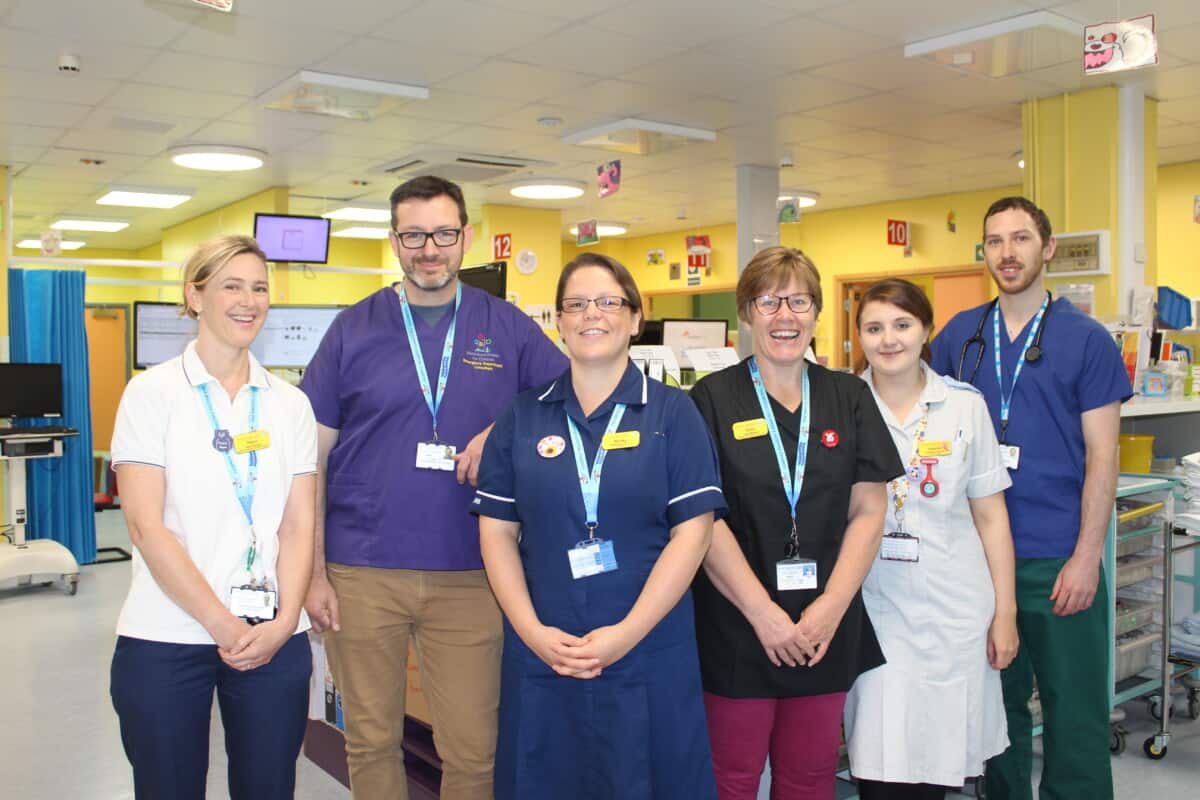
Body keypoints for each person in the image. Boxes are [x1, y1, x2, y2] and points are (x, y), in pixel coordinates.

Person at [300, 175, 568, 799]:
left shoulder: (505, 326)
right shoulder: (352, 329)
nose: (430, 249)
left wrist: (501, 431)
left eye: (443, 234)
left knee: (473, 751)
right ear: (394, 241)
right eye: (414, 235)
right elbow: (309, 462)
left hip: (473, 572)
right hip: (362, 569)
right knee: (370, 743)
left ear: (466, 238)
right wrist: (312, 573)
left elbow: (569, 398)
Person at [473, 252, 726, 799]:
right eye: (577, 304)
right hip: (546, 650)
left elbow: (694, 532)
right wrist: (533, 633)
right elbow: (496, 532)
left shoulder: (673, 414)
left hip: (648, 649)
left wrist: (626, 635)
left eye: (609, 302)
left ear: (635, 318)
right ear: (559, 322)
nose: (593, 314)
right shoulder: (521, 417)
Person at [930, 196, 1132, 800]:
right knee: (996, 714)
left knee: (1075, 714)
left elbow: (1104, 456)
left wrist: (1085, 556)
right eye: (994, 241)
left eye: (1020, 239)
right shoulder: (960, 337)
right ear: (984, 253)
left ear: (1046, 249)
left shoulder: (1086, 340)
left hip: (1056, 557)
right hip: (978, 560)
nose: (1007, 252)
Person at [689, 246, 903, 800]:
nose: (785, 315)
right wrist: (763, 615)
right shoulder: (710, 399)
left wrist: (829, 610)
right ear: (746, 312)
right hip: (737, 622)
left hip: (823, 624)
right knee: (730, 778)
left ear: (816, 311)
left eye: (799, 301)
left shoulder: (849, 395)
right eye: (769, 301)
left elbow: (869, 509)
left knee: (809, 777)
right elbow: (704, 521)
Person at [109, 234, 317, 799]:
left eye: (259, 287)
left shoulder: (288, 403)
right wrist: (223, 624)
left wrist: (282, 623)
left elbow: (299, 525)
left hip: (274, 634)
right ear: (194, 296)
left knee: (269, 787)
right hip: (167, 634)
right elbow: (145, 527)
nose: (248, 300)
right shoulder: (151, 394)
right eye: (231, 285)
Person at [844, 278, 1018, 800]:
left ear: (927, 331)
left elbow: (991, 517)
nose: (888, 339)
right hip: (873, 605)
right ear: (859, 337)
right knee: (877, 755)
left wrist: (1005, 612)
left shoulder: (965, 407)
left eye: (902, 325)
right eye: (874, 328)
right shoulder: (842, 405)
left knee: (939, 764)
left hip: (954, 606)